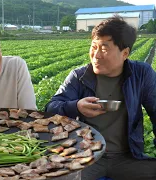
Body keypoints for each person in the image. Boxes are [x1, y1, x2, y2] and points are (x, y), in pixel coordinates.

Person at [45, 16, 156, 180]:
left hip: (127, 157)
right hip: (88, 157)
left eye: (104, 49)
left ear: (125, 53)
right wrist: (76, 106)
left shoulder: (141, 74)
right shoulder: (79, 76)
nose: (96, 55)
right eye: (94, 47)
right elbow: (51, 108)